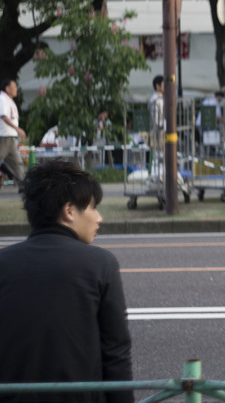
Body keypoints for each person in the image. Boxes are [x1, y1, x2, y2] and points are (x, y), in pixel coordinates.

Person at [0, 160, 133, 402]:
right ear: (69, 210)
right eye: (93, 207)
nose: (99, 218)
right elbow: (116, 353)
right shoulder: (101, 264)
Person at [0, 78, 27, 192]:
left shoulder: (9, 100)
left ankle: (25, 186)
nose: (16, 89)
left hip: (10, 137)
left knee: (17, 163)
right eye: (14, 87)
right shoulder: (2, 98)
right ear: (7, 88)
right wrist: (17, 129)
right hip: (3, 136)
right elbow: (3, 116)